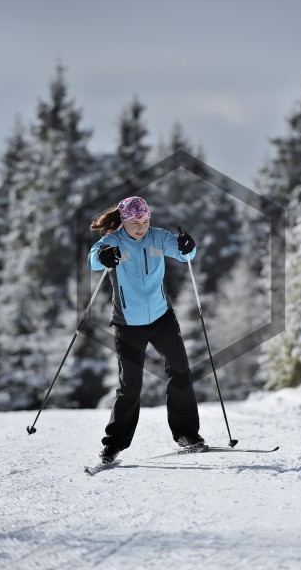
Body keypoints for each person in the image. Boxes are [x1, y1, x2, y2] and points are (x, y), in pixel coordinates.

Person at [88, 196, 205, 463]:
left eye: (144, 221)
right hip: (128, 324)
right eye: (135, 222)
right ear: (124, 221)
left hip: (163, 319)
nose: (141, 227)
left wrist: (188, 245)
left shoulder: (157, 237)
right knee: (130, 386)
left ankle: (187, 435)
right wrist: (102, 256)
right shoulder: (113, 241)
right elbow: (93, 259)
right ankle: (114, 445)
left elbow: (184, 253)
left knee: (180, 372)